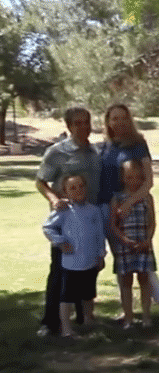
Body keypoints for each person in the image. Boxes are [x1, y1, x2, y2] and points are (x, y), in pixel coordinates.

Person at [99, 103, 159, 318]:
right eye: (114, 118)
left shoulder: (138, 144)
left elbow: (148, 181)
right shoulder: (104, 147)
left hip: (132, 207)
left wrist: (129, 203)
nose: (119, 122)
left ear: (129, 119)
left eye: (123, 117)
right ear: (108, 122)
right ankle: (128, 312)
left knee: (142, 261)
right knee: (122, 261)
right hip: (108, 208)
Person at [35, 106, 100, 336]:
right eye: (77, 123)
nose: (83, 127)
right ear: (69, 126)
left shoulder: (95, 152)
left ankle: (83, 317)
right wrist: (54, 199)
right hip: (67, 222)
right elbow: (40, 181)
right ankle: (50, 322)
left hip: (89, 220)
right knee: (60, 272)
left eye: (86, 122)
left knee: (87, 271)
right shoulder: (57, 152)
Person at [41, 175, 106, 338]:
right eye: (73, 188)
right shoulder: (64, 210)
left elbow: (99, 235)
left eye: (81, 186)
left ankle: (88, 320)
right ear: (65, 192)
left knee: (88, 294)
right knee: (67, 297)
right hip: (71, 263)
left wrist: (101, 255)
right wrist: (60, 242)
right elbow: (48, 227)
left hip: (90, 261)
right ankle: (66, 328)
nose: (78, 190)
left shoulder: (94, 210)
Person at [109, 159, 159, 328]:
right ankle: (129, 318)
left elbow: (152, 222)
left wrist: (148, 240)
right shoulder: (117, 198)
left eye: (138, 177)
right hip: (125, 246)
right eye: (130, 177)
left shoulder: (147, 198)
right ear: (123, 178)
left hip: (143, 245)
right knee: (126, 283)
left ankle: (146, 317)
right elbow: (113, 225)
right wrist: (124, 240)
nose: (134, 181)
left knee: (144, 281)